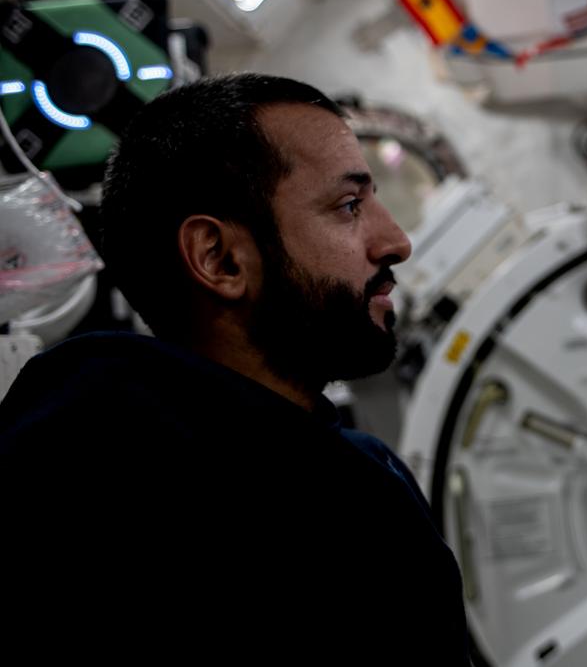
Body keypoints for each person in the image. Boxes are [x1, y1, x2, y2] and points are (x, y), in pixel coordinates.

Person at [0, 74, 468, 659]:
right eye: (349, 206)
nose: (396, 241)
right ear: (219, 259)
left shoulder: (49, 450)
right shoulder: (336, 518)